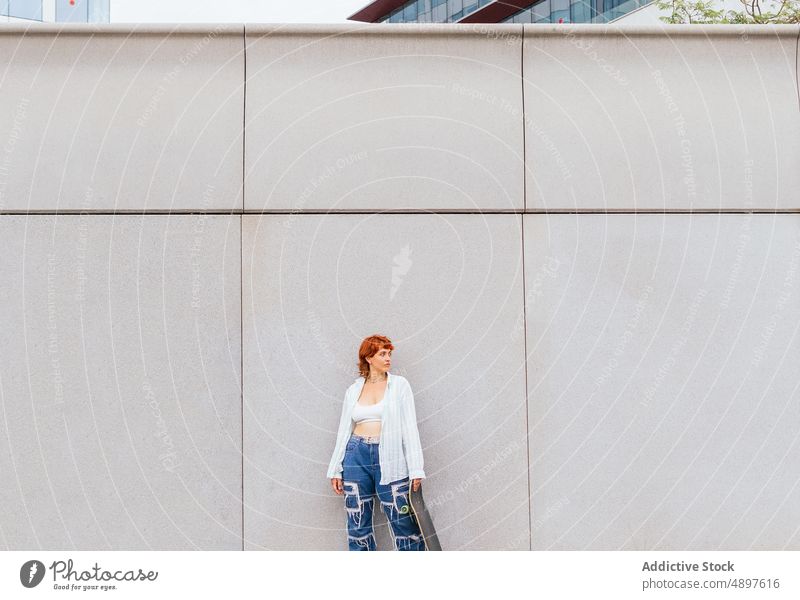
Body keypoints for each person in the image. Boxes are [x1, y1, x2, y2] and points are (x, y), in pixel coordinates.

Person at [326, 334, 427, 551]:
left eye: (389, 353)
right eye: (382, 353)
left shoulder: (399, 386)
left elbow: (410, 428)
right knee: (357, 525)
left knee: (404, 523)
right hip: (356, 455)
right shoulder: (353, 390)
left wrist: (416, 467)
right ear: (369, 358)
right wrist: (335, 468)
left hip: (390, 456)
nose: (388, 358)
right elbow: (344, 430)